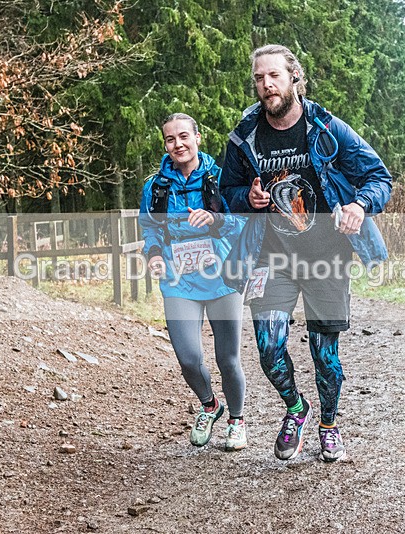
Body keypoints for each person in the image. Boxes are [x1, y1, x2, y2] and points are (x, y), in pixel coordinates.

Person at [220, 45, 392, 462]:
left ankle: (329, 426)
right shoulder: (244, 134)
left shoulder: (327, 127)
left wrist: (358, 205)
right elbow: (226, 193)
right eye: (259, 78)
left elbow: (379, 177)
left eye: (274, 76)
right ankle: (296, 410)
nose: (266, 85)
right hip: (271, 257)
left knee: (324, 356)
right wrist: (249, 196)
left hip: (326, 257)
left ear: (295, 76)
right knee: (269, 348)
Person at [139, 113, 247, 451]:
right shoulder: (155, 186)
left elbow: (244, 224)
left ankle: (237, 420)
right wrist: (154, 254)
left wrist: (215, 220)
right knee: (187, 357)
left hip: (221, 278)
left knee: (227, 358)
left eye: (183, 136)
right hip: (178, 279)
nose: (178, 144)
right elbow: (150, 228)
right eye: (170, 139)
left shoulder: (221, 178)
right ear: (165, 145)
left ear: (197, 138)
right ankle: (210, 406)